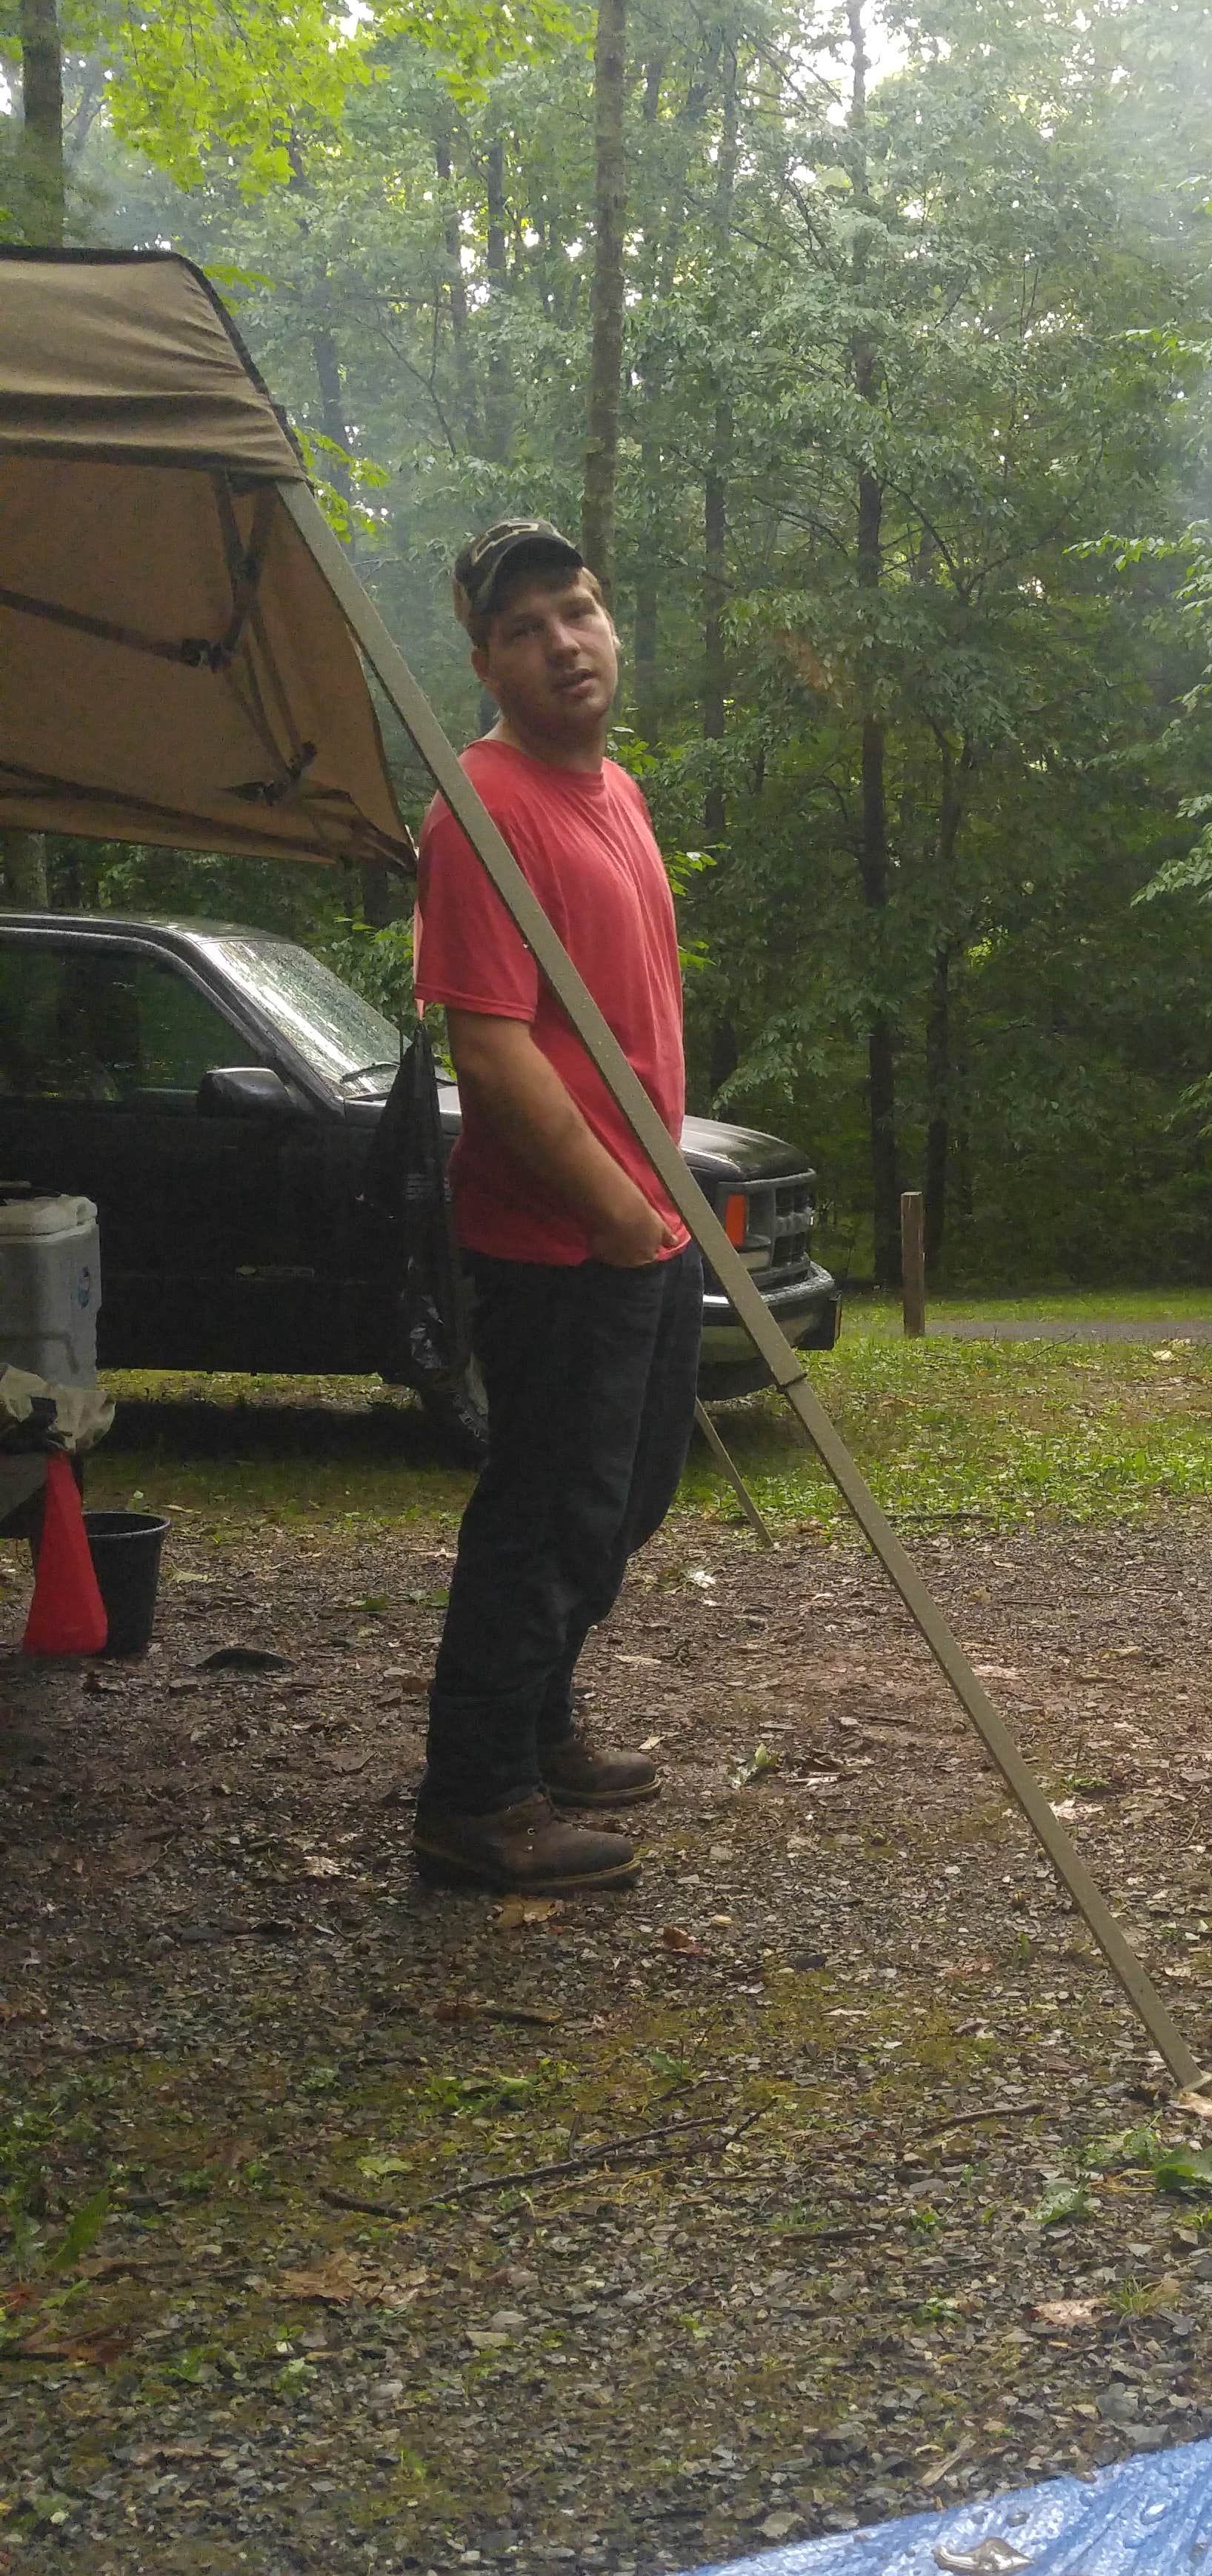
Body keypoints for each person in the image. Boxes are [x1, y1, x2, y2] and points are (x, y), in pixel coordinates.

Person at [410, 519, 702, 1890]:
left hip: (638, 1219)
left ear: (610, 622)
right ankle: (475, 1796)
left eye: (575, 611)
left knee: (624, 1497)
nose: (561, 643)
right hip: (556, 1239)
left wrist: (656, 1198)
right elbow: (494, 1048)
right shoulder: (480, 811)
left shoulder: (617, 789)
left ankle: (538, 1719)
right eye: (523, 630)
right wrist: (610, 1213)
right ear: (483, 664)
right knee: (545, 1510)